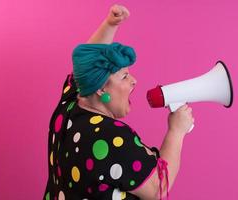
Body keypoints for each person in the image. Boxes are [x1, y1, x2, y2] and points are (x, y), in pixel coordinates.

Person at [43, 4, 194, 200]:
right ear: (101, 89)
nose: (134, 81)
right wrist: (177, 131)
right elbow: (158, 189)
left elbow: (84, 65)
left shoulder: (69, 105)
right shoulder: (110, 136)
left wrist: (110, 24)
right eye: (124, 77)